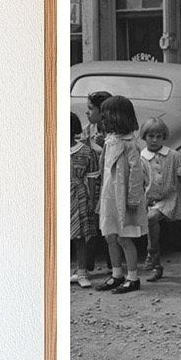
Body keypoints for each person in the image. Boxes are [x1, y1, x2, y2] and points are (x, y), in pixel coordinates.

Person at [96, 95, 149, 295]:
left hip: (124, 197)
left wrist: (133, 198)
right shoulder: (110, 141)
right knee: (110, 235)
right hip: (109, 195)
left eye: (106, 116)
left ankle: (133, 277)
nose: (104, 120)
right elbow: (105, 170)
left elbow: (136, 174)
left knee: (125, 237)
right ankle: (117, 273)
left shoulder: (130, 145)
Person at [140, 117, 181, 282]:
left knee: (152, 219)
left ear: (163, 137)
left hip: (169, 198)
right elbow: (140, 182)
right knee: (150, 223)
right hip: (150, 200)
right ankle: (157, 265)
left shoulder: (173, 155)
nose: (154, 140)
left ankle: (151, 252)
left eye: (158, 136)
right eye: (150, 136)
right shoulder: (141, 158)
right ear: (144, 136)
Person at [69, 112, 99, 288]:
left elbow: (92, 177)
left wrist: (91, 201)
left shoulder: (86, 152)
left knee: (80, 236)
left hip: (77, 196)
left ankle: (81, 271)